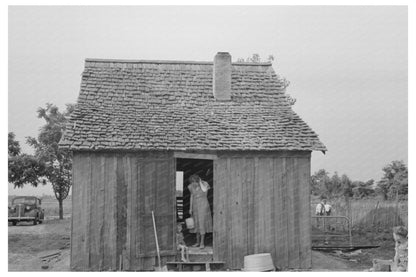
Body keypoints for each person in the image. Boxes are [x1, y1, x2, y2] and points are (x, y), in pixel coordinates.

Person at [188, 174, 212, 249]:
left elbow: (205, 192)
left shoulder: (204, 185)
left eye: (194, 182)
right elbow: (191, 197)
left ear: (197, 181)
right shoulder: (190, 187)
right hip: (195, 206)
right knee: (196, 223)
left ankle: (202, 243)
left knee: (202, 223)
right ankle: (197, 242)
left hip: (203, 205)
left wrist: (201, 183)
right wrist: (190, 208)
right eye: (192, 182)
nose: (193, 184)